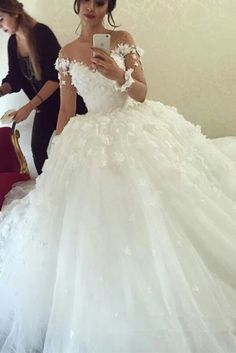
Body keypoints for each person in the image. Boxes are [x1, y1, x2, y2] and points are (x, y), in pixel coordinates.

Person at [0, 0, 236, 352]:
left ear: (107, 6)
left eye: (100, 2)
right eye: (86, 2)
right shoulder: (65, 52)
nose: (92, 8)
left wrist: (118, 74)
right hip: (89, 131)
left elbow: (142, 93)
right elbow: (66, 108)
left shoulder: (122, 39)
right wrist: (59, 154)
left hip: (133, 128)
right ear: (77, 5)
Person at [0, 0, 87, 175]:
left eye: (1, 18)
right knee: (38, 150)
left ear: (15, 13)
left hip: (66, 102)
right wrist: (2, 90)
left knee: (76, 149)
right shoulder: (12, 43)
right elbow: (15, 77)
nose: (0, 25)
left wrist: (28, 107)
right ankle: (48, 192)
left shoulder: (41, 33)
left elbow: (55, 78)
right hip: (44, 106)